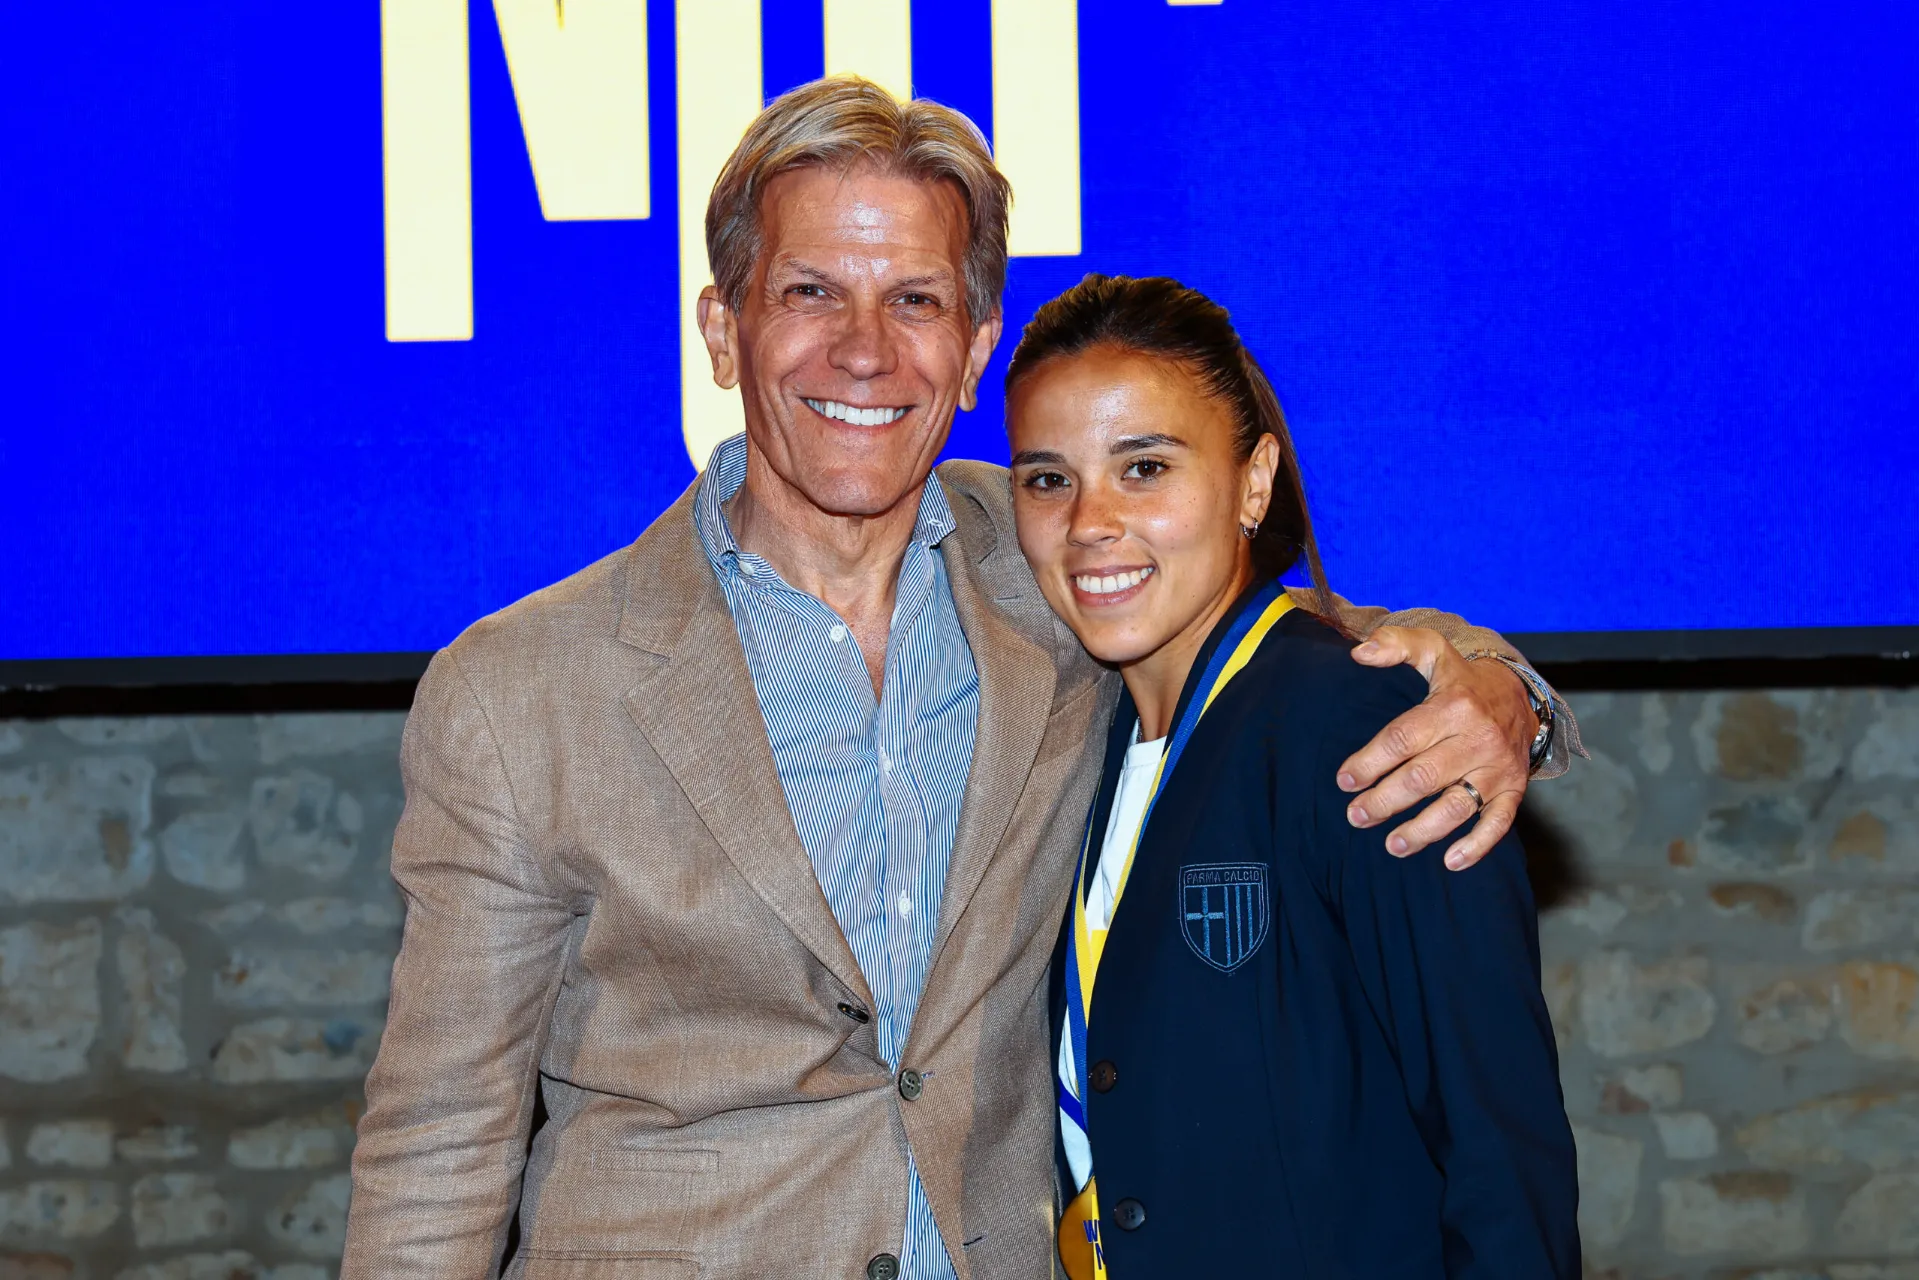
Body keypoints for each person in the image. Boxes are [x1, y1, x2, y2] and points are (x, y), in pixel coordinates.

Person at [342, 77, 1577, 1280]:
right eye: (810, 291)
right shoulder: (519, 689)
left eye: (915, 299)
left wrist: (1494, 687)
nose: (863, 349)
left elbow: (1295, 633)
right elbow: (440, 1135)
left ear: (975, 347)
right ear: (722, 329)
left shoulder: (1056, 564)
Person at [1004, 274, 1579, 1278]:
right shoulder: (1076, 734)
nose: (1089, 520)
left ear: (1253, 482)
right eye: (1047, 479)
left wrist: (1504, 686)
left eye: (1144, 467)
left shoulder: (1375, 732)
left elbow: (1497, 1153)